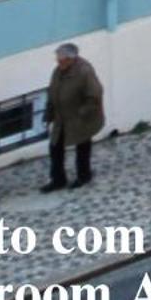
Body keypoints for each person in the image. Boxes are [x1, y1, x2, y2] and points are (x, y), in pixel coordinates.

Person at [42, 43, 105, 193]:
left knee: (82, 146)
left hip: (80, 117)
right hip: (62, 117)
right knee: (55, 147)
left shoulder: (84, 71)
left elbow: (95, 94)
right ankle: (58, 179)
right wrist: (49, 113)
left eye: (62, 60)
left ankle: (84, 175)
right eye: (58, 59)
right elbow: (52, 92)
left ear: (71, 59)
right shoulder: (58, 71)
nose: (59, 62)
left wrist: (83, 112)